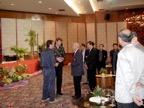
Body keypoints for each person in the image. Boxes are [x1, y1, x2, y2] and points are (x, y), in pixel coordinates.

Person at [115, 29, 144, 108]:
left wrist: (133, 95)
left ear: (119, 39)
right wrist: (141, 82)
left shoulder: (123, 53)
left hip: (126, 95)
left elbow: (128, 77)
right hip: (138, 93)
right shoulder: (140, 53)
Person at [131, 32, 144, 107]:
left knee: (138, 103)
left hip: (138, 84)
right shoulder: (136, 47)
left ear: (135, 39)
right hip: (136, 83)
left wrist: (141, 82)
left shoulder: (139, 49)